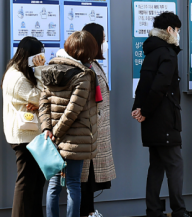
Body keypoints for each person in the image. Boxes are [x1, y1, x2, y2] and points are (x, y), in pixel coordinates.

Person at [131, 12, 192, 217]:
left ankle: (153, 211)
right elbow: (159, 86)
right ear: (170, 30)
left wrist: (139, 108)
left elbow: (144, 84)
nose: (179, 35)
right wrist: (145, 111)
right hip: (165, 118)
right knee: (175, 165)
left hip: (152, 119)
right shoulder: (168, 53)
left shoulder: (151, 52)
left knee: (156, 166)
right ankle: (179, 211)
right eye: (178, 31)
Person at [39, 31, 99, 217]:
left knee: (54, 185)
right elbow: (73, 110)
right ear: (87, 51)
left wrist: (47, 129)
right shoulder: (83, 75)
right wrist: (55, 132)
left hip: (53, 138)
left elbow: (43, 102)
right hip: (75, 138)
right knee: (73, 184)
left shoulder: (51, 69)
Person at [2, 36, 46, 217]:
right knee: (26, 181)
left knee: (36, 182)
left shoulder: (19, 72)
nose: (40, 59)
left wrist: (37, 102)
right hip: (24, 137)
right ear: (30, 55)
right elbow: (41, 95)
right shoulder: (17, 77)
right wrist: (40, 70)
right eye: (38, 55)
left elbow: (38, 99)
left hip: (30, 135)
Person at [80, 23, 116, 217]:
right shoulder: (86, 66)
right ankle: (87, 213)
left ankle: (89, 211)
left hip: (97, 130)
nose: (105, 42)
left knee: (90, 177)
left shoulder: (93, 63)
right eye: (103, 39)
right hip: (90, 130)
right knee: (86, 177)